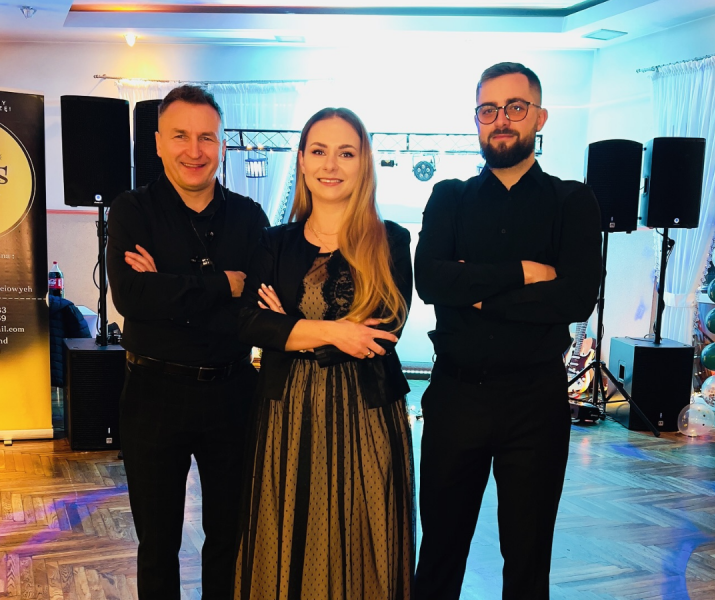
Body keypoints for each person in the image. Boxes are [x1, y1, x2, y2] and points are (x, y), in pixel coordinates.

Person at [414, 62, 602, 600]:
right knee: (440, 552)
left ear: (539, 117)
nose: (501, 120)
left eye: (515, 107)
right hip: (456, 396)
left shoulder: (572, 201)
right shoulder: (449, 196)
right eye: (488, 109)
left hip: (534, 401)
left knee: (527, 557)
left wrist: (474, 290)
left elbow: (575, 297)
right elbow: (430, 281)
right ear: (476, 119)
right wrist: (523, 273)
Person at [234, 107, 415, 600]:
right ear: (301, 159)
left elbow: (382, 334)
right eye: (318, 151)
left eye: (345, 153)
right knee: (288, 532)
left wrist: (290, 326)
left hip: (367, 414)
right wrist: (335, 330)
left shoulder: (391, 240)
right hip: (286, 412)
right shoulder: (274, 242)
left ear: (364, 163)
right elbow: (249, 322)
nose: (330, 164)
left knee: (362, 535)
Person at [106, 85, 269, 600]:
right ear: (158, 142)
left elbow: (254, 311)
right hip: (152, 394)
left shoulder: (249, 217)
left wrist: (169, 286)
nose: (194, 150)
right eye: (180, 136)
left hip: (232, 393)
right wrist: (223, 284)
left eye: (206, 137)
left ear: (221, 144)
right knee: (157, 544)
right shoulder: (131, 210)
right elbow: (132, 297)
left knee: (229, 537)